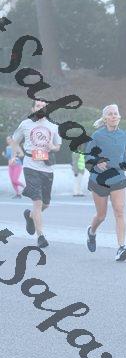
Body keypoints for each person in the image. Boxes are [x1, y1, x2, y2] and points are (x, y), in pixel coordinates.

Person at [85, 104, 126, 262]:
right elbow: (88, 155)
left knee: (119, 211)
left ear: (119, 117)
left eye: (115, 113)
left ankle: (121, 247)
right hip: (99, 179)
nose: (113, 116)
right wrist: (97, 162)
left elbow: (123, 155)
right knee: (101, 215)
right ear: (105, 118)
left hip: (118, 177)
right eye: (110, 114)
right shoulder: (97, 135)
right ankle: (91, 232)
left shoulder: (123, 135)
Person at [11, 100, 62, 248]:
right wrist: (17, 155)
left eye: (44, 106)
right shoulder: (25, 124)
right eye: (38, 106)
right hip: (30, 166)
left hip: (47, 168)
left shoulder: (53, 126)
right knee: (37, 202)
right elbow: (14, 141)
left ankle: (30, 216)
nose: (41, 108)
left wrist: (52, 146)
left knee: (45, 204)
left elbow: (58, 146)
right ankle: (41, 236)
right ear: (33, 109)